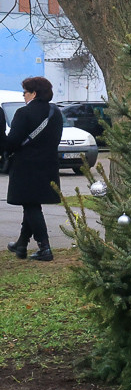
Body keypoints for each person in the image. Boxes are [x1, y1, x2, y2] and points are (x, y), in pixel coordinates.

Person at [4, 77, 63, 262]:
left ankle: (44, 248)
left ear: (34, 93)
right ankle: (21, 244)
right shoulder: (55, 112)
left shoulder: (23, 113)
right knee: (31, 204)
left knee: (30, 205)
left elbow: (12, 142)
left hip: (26, 166)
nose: (23, 96)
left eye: (25, 92)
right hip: (49, 164)